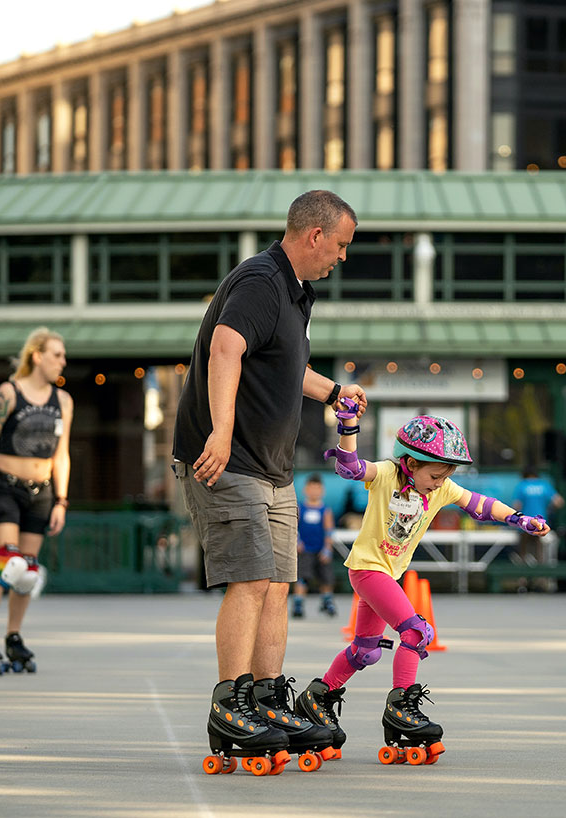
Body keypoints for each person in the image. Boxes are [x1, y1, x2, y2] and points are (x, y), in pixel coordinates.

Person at [172, 189, 367, 771]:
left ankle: (264, 697)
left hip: (273, 467)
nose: (342, 257)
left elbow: (284, 366)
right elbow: (225, 349)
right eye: (341, 245)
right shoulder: (261, 280)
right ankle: (229, 702)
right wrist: (221, 431)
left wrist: (332, 391)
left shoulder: (296, 293)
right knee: (252, 579)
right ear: (315, 236)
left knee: (278, 584)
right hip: (227, 462)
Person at [292, 408, 549, 763]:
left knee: (366, 651)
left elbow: (480, 505)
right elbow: (350, 467)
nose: (440, 483)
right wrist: (348, 426)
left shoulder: (440, 490)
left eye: (446, 477)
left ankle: (316, 698)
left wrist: (517, 518)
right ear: (411, 464)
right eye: (435, 475)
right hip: (369, 570)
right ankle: (401, 707)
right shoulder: (385, 474)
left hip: (385, 574)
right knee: (416, 631)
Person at [0, 327, 72, 674]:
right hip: (6, 488)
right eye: (57, 354)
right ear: (37, 355)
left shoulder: (63, 401)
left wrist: (61, 500)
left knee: (26, 572)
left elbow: (61, 455)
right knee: (6, 563)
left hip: (42, 493)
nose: (63, 361)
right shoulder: (8, 393)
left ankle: (13, 635)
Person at [293, 474, 337, 619]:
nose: (314, 492)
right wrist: (297, 541)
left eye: (317, 489)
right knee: (302, 577)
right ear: (306, 490)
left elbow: (329, 530)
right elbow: (295, 526)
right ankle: (298, 603)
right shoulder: (300, 508)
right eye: (311, 488)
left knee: (325, 577)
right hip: (305, 550)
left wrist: (327, 548)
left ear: (322, 491)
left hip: (320, 550)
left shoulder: (325, 510)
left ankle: (327, 600)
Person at [512, 468, 564, 564]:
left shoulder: (522, 485)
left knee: (523, 551)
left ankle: (523, 576)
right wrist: (549, 510)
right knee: (539, 550)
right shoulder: (544, 485)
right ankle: (539, 575)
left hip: (524, 522)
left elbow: (517, 505)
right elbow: (559, 502)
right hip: (540, 522)